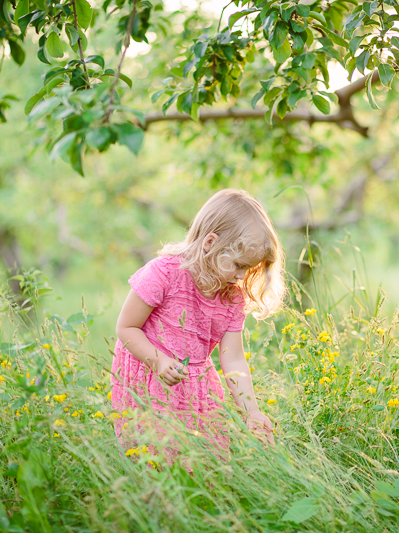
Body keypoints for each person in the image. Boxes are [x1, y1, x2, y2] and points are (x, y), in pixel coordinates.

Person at [111, 189, 285, 460]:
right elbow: (126, 328)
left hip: (197, 388)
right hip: (150, 380)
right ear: (210, 242)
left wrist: (252, 412)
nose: (241, 276)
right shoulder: (164, 274)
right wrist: (158, 361)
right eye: (239, 265)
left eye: (248, 269)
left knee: (208, 464)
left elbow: (234, 360)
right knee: (158, 461)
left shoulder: (231, 297)